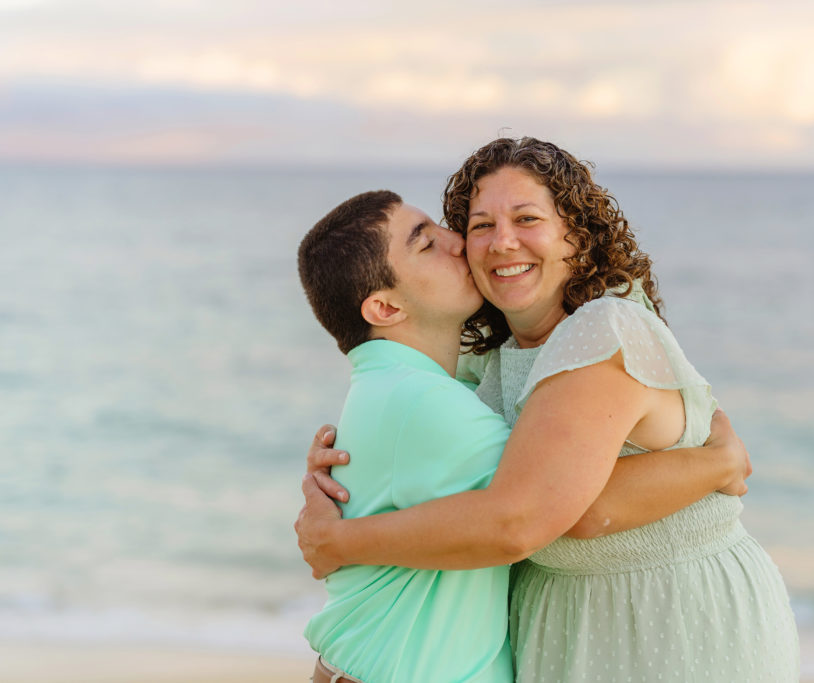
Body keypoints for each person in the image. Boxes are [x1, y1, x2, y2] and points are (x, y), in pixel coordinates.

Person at [295, 188, 750, 683]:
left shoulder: (399, 389)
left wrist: (340, 538)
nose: (457, 242)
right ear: (384, 309)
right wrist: (717, 463)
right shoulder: (424, 402)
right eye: (425, 244)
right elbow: (554, 507)